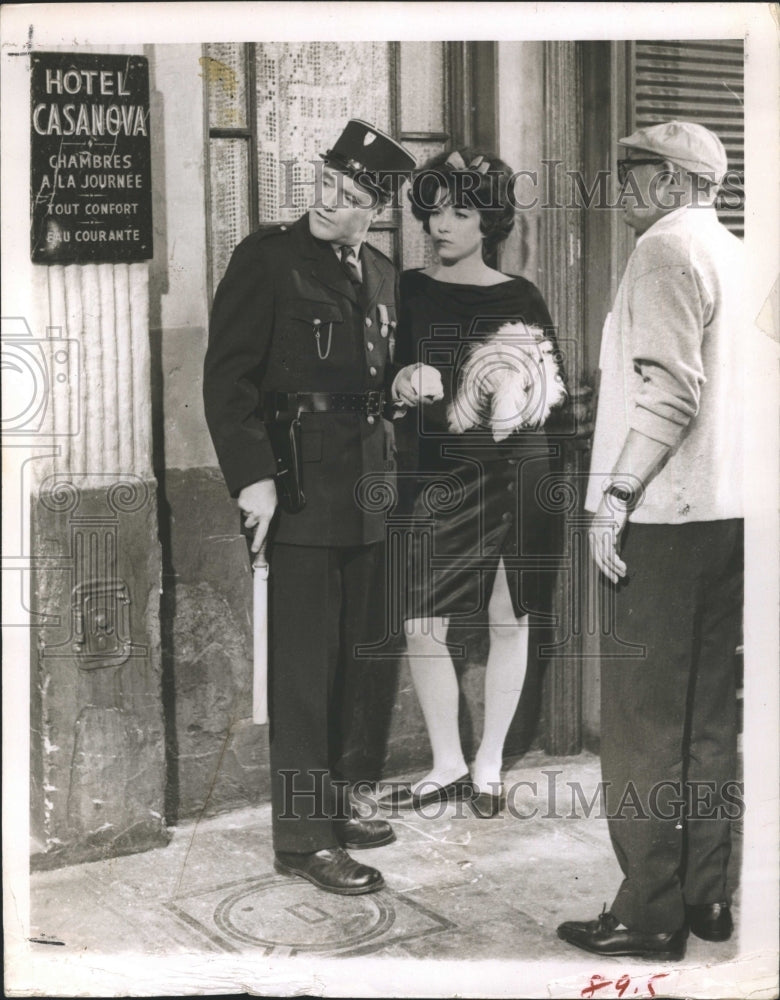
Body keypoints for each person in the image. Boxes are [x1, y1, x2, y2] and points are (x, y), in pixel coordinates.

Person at [203, 120, 416, 895]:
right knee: (301, 670)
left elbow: (377, 377)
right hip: (296, 492)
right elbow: (228, 379)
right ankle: (301, 837)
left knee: (356, 665)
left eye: (350, 195)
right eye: (327, 183)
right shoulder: (267, 259)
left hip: (367, 493)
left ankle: (331, 805)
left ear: (376, 208)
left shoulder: (385, 275)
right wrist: (251, 479)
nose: (329, 202)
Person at [557, 121, 744, 959]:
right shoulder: (741, 255)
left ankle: (647, 915)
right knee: (707, 718)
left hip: (662, 522)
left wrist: (615, 499)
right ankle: (707, 900)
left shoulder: (664, 253)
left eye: (631, 173)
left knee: (639, 727)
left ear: (671, 183)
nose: (619, 188)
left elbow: (670, 392)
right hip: (732, 520)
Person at [378, 148, 566, 818]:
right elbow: (384, 375)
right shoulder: (406, 289)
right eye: (434, 208)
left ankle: (486, 766)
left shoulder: (523, 297)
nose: (442, 224)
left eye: (461, 211)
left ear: (488, 221)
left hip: (517, 473)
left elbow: (553, 398)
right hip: (436, 477)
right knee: (421, 623)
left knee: (507, 620)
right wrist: (400, 384)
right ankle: (446, 762)